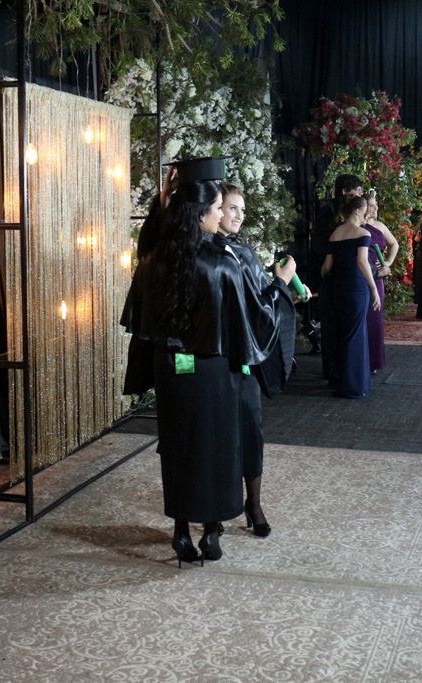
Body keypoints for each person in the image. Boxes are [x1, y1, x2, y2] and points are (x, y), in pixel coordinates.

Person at [121, 167, 295, 565]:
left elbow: (151, 242)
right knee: (218, 448)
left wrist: (164, 197)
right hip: (215, 369)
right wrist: (282, 283)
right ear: (200, 213)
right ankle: (211, 531)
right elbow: (258, 317)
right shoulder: (221, 262)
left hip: (172, 370)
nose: (222, 215)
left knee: (179, 446)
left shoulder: (155, 256)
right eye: (218, 208)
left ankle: (181, 531)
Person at [215, 183, 297, 538]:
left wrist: (281, 287)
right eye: (232, 208)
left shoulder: (244, 253)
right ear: (215, 208)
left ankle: (254, 503)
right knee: (218, 433)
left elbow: (260, 306)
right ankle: (216, 507)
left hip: (244, 358)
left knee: (251, 427)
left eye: (242, 210)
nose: (239, 216)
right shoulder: (203, 252)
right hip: (215, 356)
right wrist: (280, 283)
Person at [322, 194, 381, 398]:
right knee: (355, 335)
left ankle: (347, 381)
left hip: (338, 288)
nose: (368, 214)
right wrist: (374, 288)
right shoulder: (363, 233)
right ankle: (353, 386)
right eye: (366, 210)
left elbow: (327, 266)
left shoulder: (335, 233)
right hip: (356, 288)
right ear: (357, 211)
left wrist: (325, 278)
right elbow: (363, 262)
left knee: (343, 334)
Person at [314, 174, 364, 383]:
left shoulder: (351, 218)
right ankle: (332, 370)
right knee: (331, 326)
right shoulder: (328, 212)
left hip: (345, 276)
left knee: (345, 327)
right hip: (333, 276)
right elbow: (319, 244)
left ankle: (345, 370)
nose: (360, 194)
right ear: (344, 191)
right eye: (358, 190)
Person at [363, 189, 398, 373]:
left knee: (375, 319)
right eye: (371, 206)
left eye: (376, 205)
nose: (375, 208)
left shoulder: (380, 226)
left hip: (378, 277)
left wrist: (388, 262)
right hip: (361, 276)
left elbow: (395, 244)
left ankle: (373, 362)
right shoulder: (357, 227)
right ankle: (361, 360)